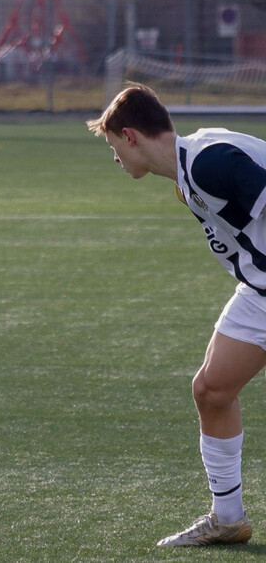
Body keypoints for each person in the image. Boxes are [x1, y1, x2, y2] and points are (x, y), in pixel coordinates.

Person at [88, 82, 266, 547]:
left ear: (130, 137)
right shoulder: (186, 180)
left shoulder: (209, 161)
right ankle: (228, 519)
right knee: (211, 390)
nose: (115, 158)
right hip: (260, 291)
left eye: (113, 146)